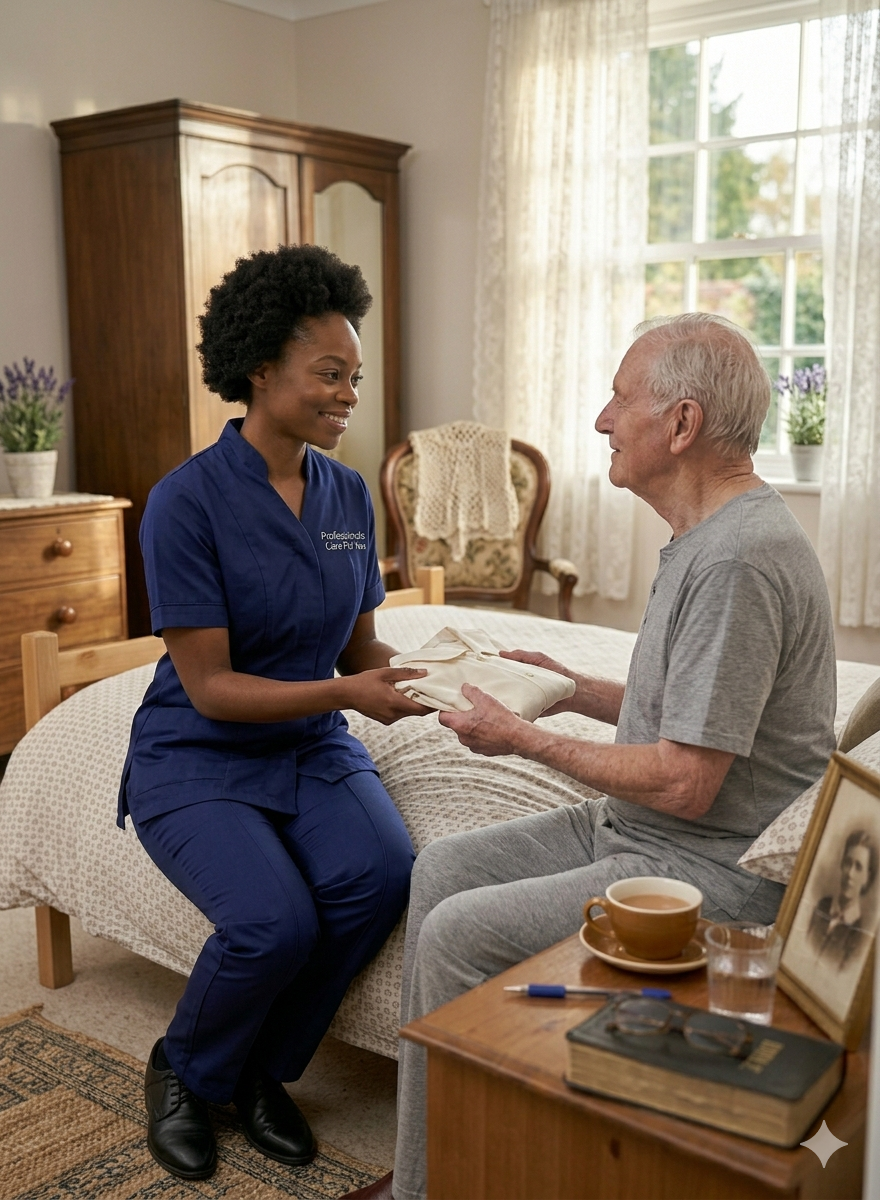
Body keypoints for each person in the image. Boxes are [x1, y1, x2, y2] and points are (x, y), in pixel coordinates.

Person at [345, 312, 837, 1200]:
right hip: (643, 829)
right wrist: (568, 686)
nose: (603, 420)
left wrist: (522, 736)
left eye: (619, 397)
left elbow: (688, 780)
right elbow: (689, 714)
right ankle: (434, 1161)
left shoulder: (738, 561)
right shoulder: (708, 537)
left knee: (461, 930)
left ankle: (437, 1187)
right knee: (443, 869)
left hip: (715, 867)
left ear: (681, 425)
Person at [118, 244, 430, 1182]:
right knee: (274, 922)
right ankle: (183, 1070)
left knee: (380, 875)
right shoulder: (185, 504)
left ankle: (258, 1074)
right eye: (328, 375)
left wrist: (436, 678)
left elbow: (358, 648)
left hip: (308, 743)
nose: (348, 396)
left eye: (355, 378)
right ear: (261, 369)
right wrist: (349, 693)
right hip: (199, 750)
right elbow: (211, 686)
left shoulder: (345, 493)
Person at [808, 830, 878, 969]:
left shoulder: (859, 936)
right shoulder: (821, 906)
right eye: (848, 863)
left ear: (867, 877)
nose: (850, 874)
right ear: (841, 865)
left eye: (858, 867)